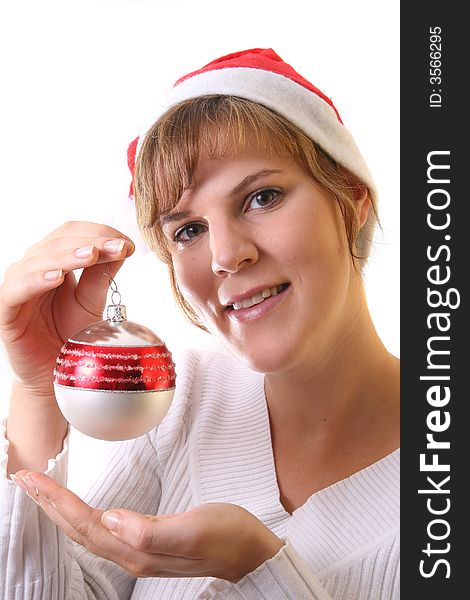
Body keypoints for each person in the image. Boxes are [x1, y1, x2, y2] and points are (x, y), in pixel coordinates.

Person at [0, 48, 399, 599]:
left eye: (262, 197)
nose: (226, 255)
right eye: (188, 230)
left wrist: (258, 570)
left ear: (351, 201)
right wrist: (40, 393)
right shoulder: (181, 403)